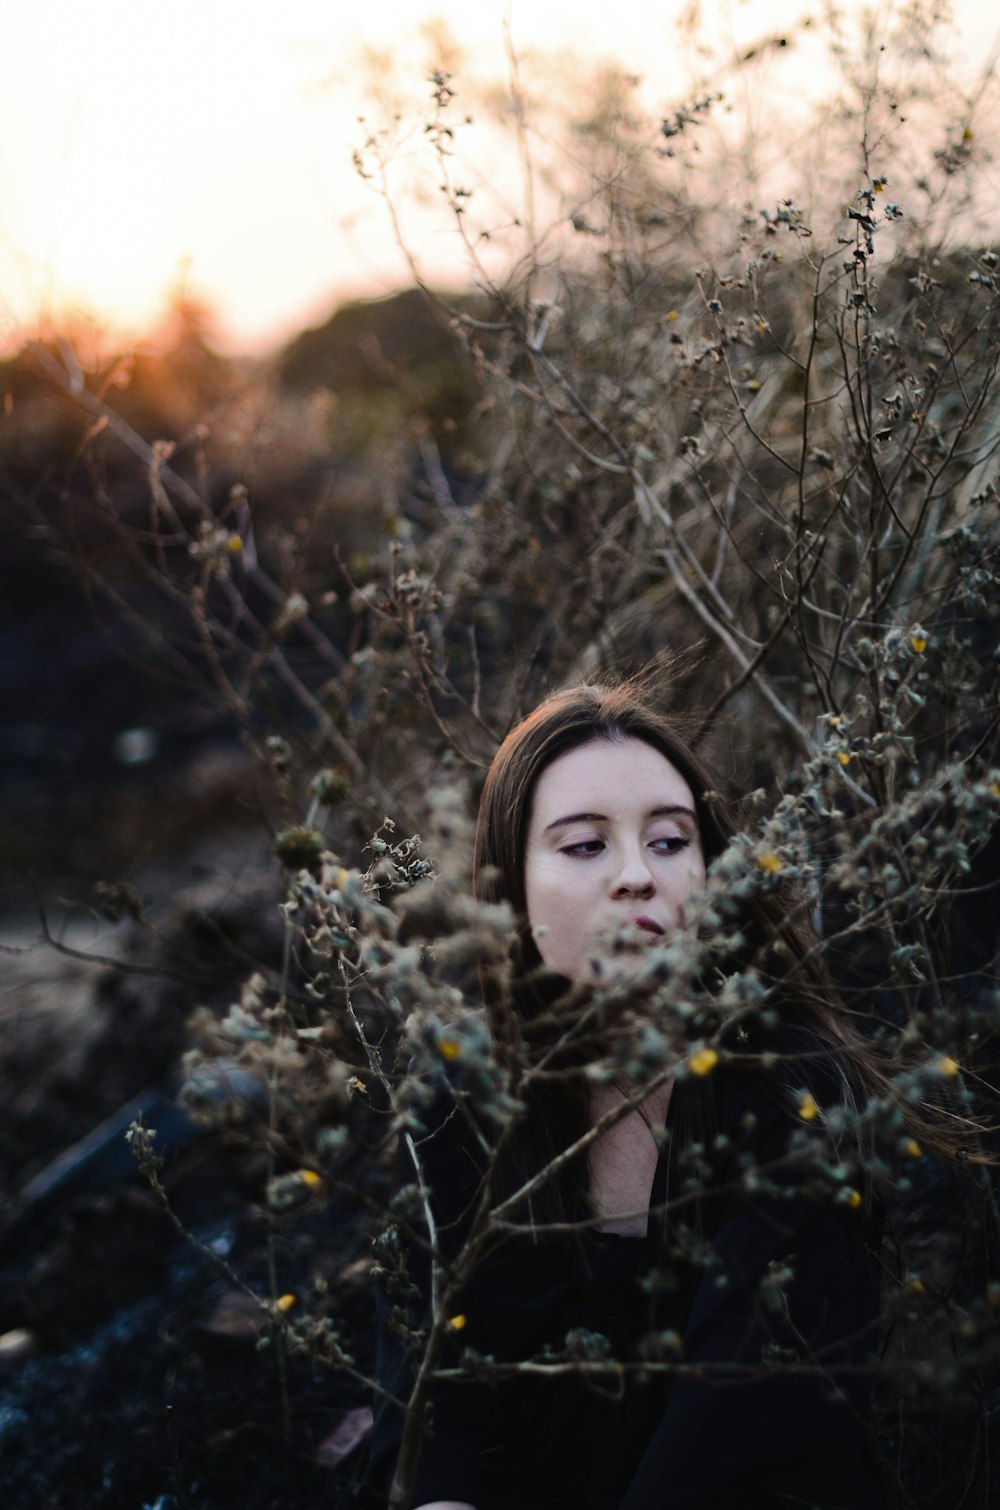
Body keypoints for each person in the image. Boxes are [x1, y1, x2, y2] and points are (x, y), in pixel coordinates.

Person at [369, 677, 898, 1510]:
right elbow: (428, 1406)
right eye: (585, 846)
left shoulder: (794, 1091)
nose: (637, 877)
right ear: (509, 891)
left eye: (669, 840)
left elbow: (741, 1436)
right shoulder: (457, 1101)